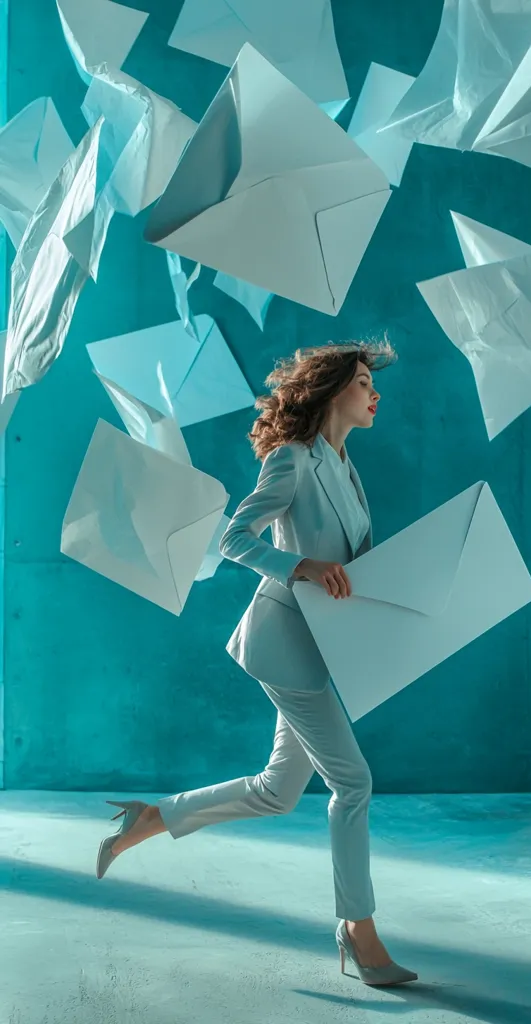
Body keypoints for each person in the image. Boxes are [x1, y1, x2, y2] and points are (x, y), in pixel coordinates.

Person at [95, 340, 418, 988]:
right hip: (283, 641)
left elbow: (352, 564)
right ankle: (359, 931)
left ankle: (152, 817)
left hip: (321, 645)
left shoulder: (347, 469)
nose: (373, 393)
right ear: (331, 392)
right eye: (361, 383)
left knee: (278, 790)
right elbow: (235, 539)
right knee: (352, 783)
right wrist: (301, 565)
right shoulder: (293, 461)